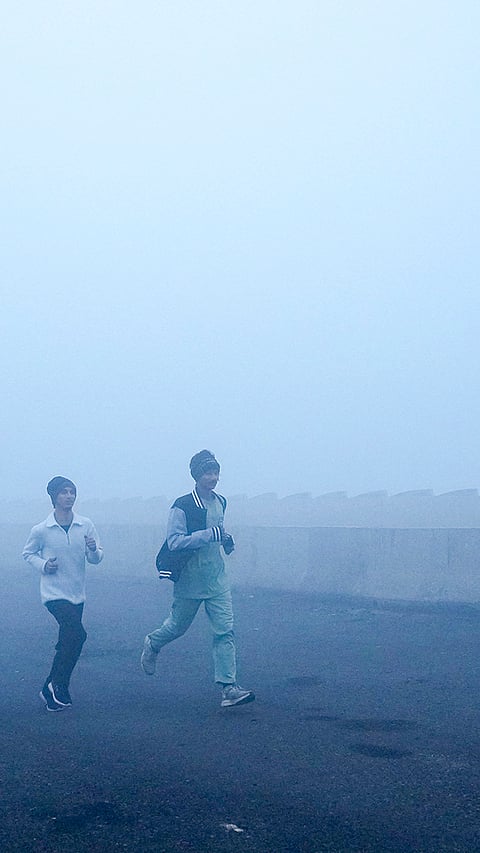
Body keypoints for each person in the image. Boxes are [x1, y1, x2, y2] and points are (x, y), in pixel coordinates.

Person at [141, 450, 255, 707]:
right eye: (207, 473)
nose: (212, 478)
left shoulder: (221, 501)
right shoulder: (182, 505)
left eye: (215, 472)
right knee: (177, 627)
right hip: (190, 581)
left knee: (224, 630)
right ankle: (153, 643)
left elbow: (217, 531)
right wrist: (208, 535)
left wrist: (224, 540)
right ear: (196, 475)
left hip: (217, 579)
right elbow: (174, 541)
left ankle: (228, 688)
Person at [22, 477, 103, 711]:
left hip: (77, 592)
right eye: (64, 492)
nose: (69, 496)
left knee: (69, 639)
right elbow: (28, 554)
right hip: (54, 593)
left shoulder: (85, 525)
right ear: (54, 497)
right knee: (77, 635)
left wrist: (93, 549)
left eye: (72, 492)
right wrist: (43, 565)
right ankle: (59, 685)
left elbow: (96, 559)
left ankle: (49, 686)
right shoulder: (41, 529)